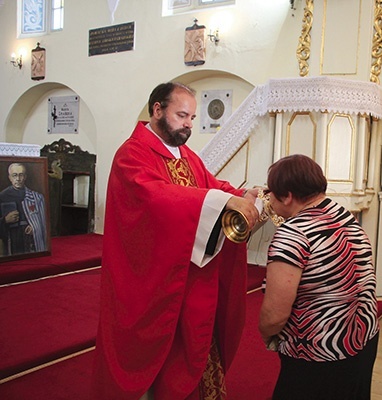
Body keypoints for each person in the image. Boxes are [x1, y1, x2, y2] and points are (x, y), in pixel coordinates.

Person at [93, 82, 260, 399]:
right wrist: (221, 202)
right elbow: (156, 197)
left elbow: (209, 185)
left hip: (188, 277)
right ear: (157, 110)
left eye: (193, 118)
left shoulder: (186, 155)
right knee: (153, 354)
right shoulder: (132, 155)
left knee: (192, 344)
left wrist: (241, 196)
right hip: (151, 280)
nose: (188, 124)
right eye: (181, 115)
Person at [259, 154, 380, 400]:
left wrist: (265, 333)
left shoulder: (293, 234)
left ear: (288, 195)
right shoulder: (344, 215)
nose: (268, 198)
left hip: (318, 352)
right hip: (363, 341)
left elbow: (275, 315)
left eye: (270, 191)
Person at [0, 163, 47, 256]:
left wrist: (34, 227)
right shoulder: (2, 196)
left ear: (25, 177)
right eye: (14, 175)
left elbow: (44, 223)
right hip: (11, 237)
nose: (18, 179)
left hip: (30, 239)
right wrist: (5, 220)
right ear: (9, 177)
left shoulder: (37, 197)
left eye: (21, 175)